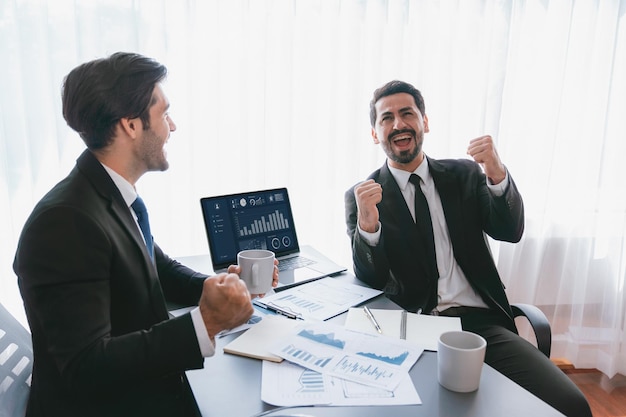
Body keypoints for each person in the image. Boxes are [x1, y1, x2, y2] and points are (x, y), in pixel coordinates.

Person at [13, 52, 278, 417]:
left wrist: (218, 289)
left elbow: (159, 269)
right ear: (131, 125)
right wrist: (207, 323)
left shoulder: (108, 193)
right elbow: (85, 367)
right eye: (164, 113)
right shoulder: (64, 222)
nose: (173, 125)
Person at [345, 80, 591, 417]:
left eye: (407, 114)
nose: (399, 124)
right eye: (387, 118)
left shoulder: (465, 174)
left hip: (480, 325)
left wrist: (496, 172)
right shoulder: (362, 196)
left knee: (571, 405)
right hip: (411, 329)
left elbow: (510, 230)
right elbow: (371, 278)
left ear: (425, 122)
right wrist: (369, 225)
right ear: (375, 133)